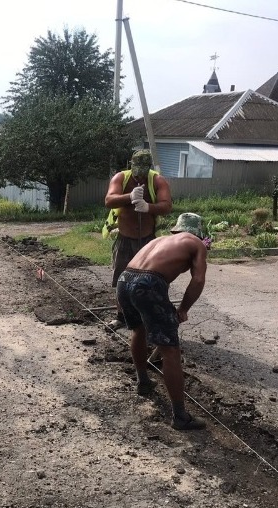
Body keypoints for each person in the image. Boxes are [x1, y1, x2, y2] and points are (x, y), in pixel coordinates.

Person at [116, 212, 209, 430]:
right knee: (169, 349)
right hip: (149, 283)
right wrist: (183, 308)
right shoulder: (196, 243)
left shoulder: (160, 240)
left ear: (177, 228)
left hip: (125, 279)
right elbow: (198, 279)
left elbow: (132, 269)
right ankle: (180, 417)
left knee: (139, 330)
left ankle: (143, 382)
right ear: (198, 232)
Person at [104, 149, 172, 329]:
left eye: (143, 172)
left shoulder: (157, 180)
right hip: (125, 238)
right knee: (121, 278)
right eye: (137, 171)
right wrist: (130, 197)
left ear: (149, 168)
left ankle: (148, 315)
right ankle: (121, 317)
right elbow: (109, 200)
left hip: (147, 239)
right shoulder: (121, 178)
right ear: (130, 165)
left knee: (150, 279)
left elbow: (166, 205)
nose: (140, 177)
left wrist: (148, 207)